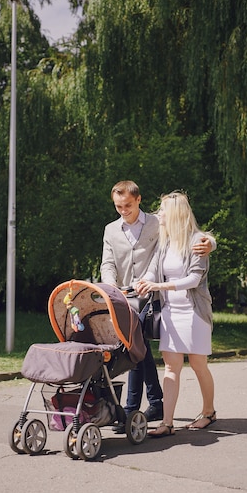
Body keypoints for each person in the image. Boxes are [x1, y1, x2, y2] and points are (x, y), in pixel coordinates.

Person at [100, 181, 215, 429]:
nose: (123, 210)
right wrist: (113, 288)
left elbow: (195, 241)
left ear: (138, 200)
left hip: (160, 300)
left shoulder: (157, 223)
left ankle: (135, 409)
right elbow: (112, 264)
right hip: (131, 297)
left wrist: (211, 243)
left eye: (127, 205)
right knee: (144, 354)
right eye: (118, 206)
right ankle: (159, 411)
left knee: (138, 347)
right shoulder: (113, 230)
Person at [135, 190, 216, 437]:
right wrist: (144, 282)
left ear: (175, 215)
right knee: (171, 368)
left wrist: (159, 286)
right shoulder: (165, 243)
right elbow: (152, 271)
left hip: (194, 314)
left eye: (162, 211)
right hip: (170, 313)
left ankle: (209, 412)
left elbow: (193, 279)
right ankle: (167, 423)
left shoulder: (198, 241)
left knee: (198, 364)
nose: (158, 215)